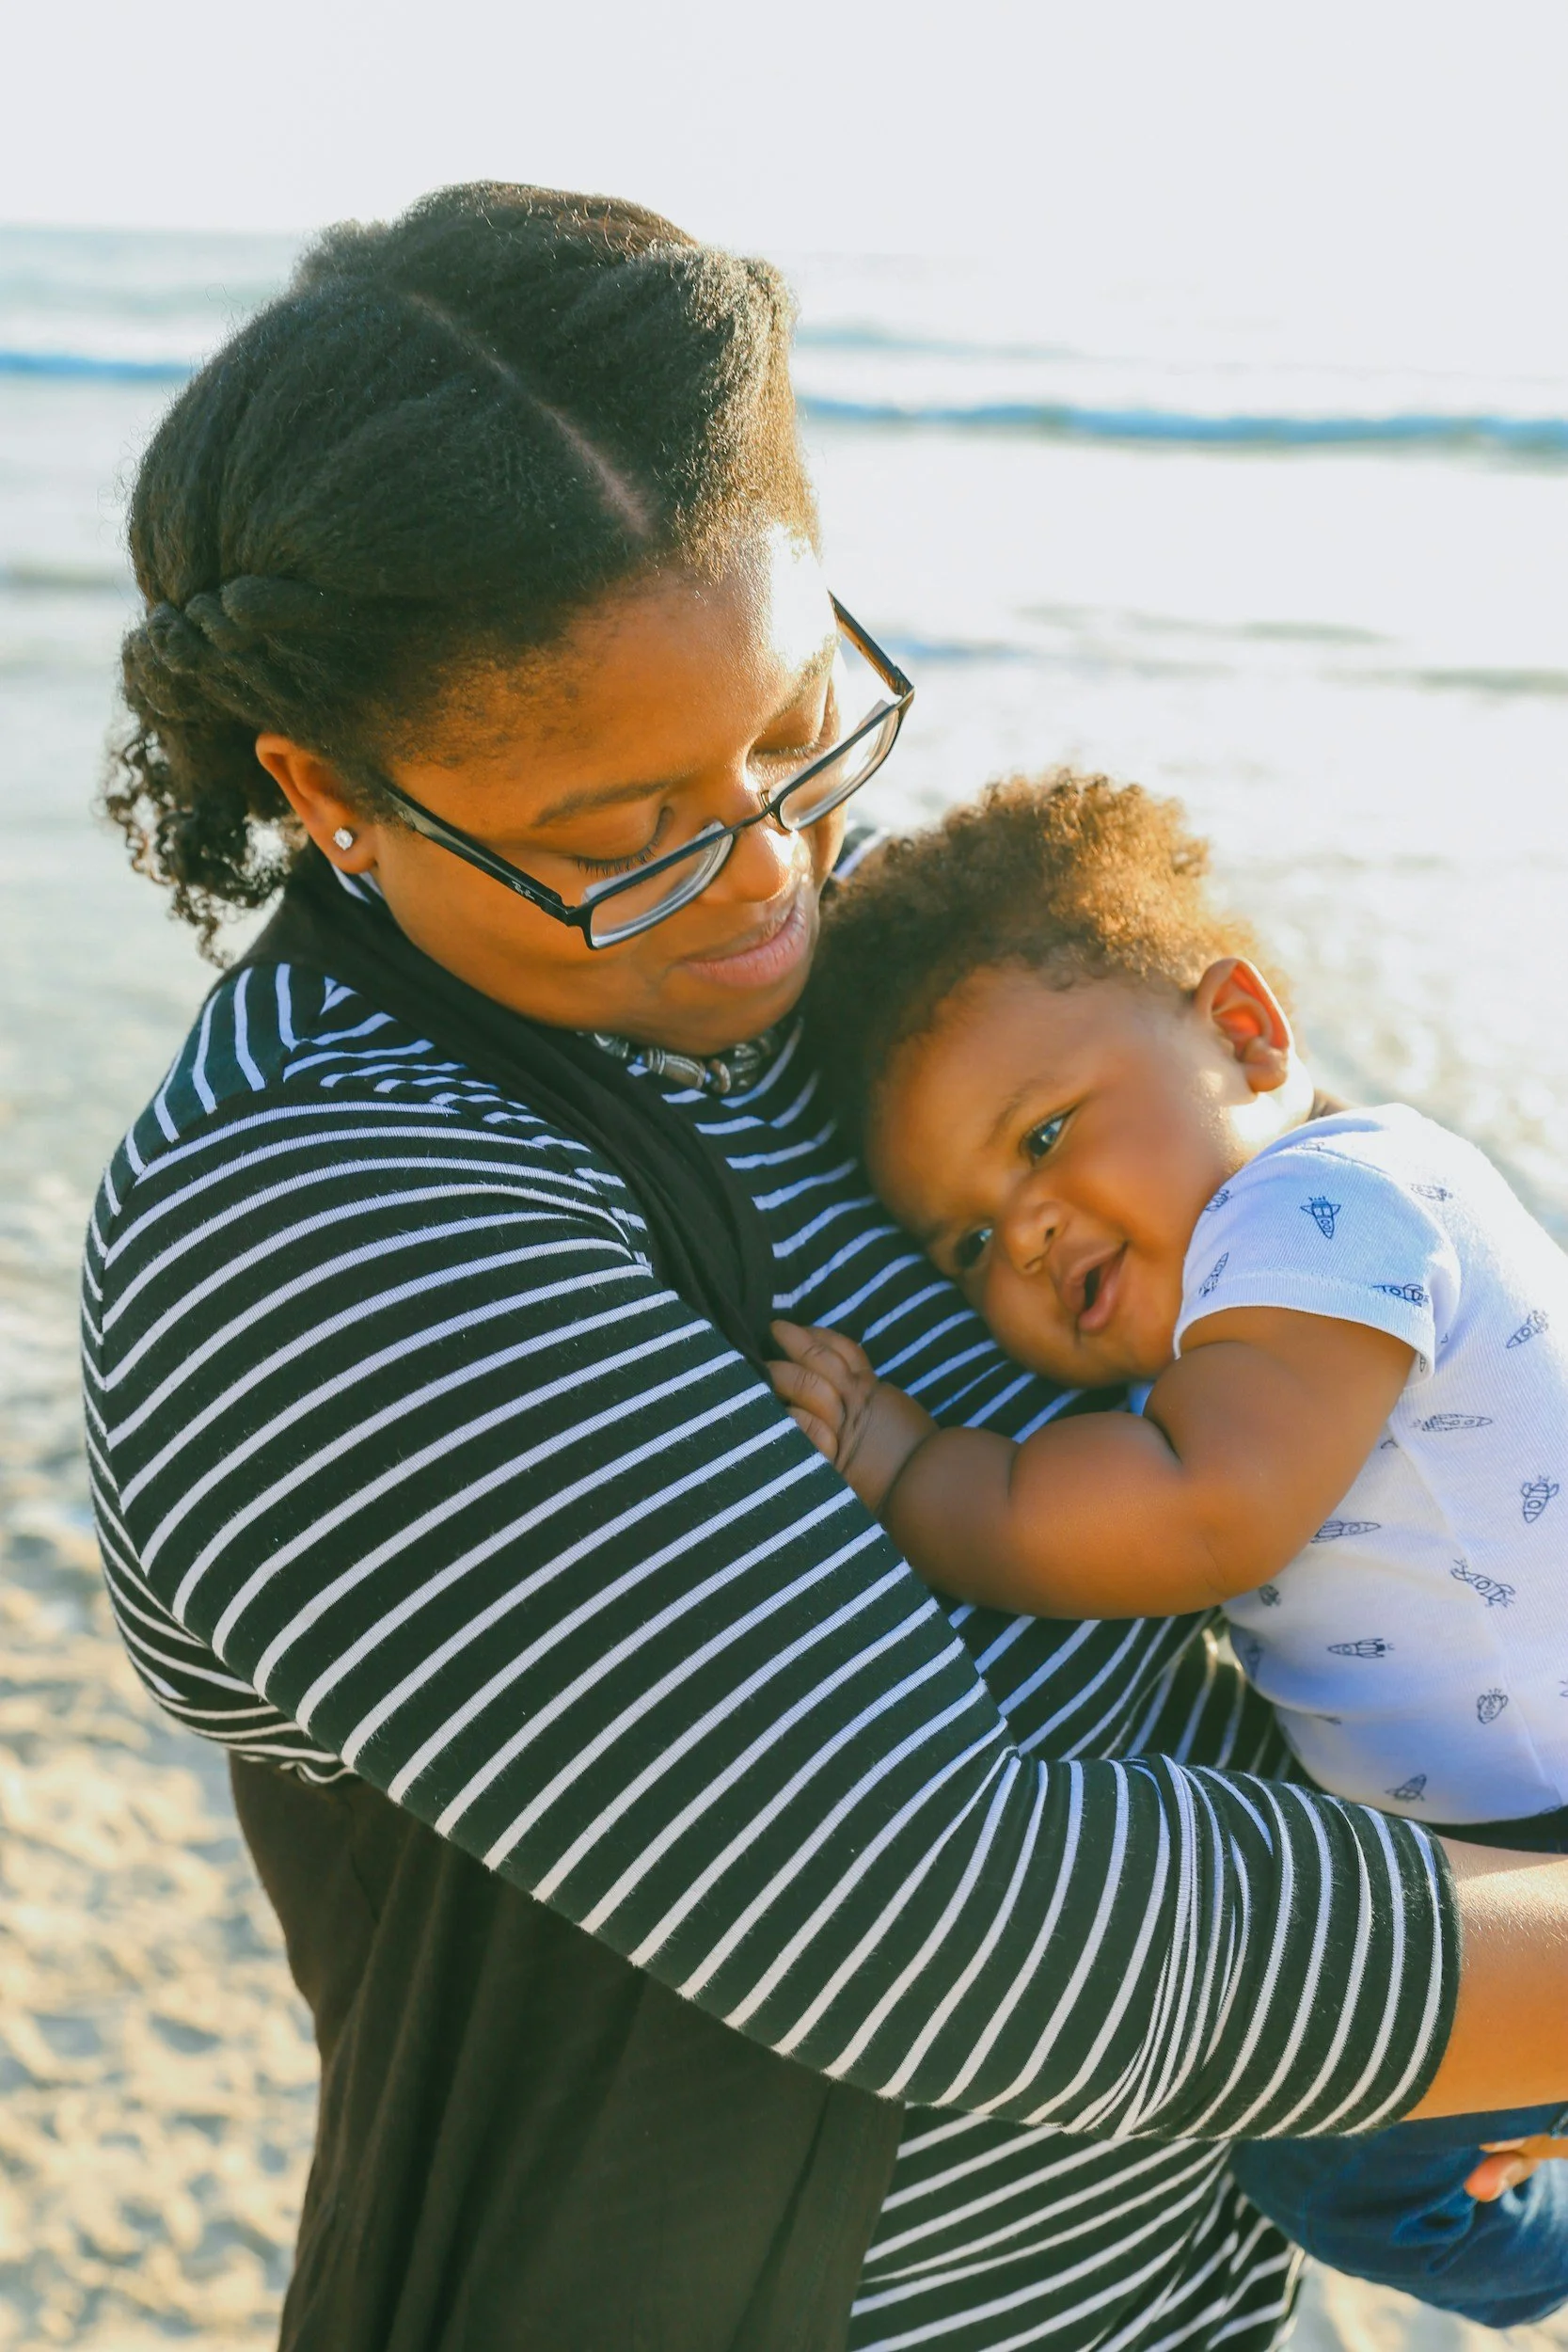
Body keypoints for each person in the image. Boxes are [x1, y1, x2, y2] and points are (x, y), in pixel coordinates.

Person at [87, 183, 1568, 2352]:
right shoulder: (319, 1224)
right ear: (330, 791)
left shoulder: (857, 993)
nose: (769, 874)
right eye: (624, 836)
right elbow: (964, 1929)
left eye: (796, 729)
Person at [772, 771, 1568, 2325]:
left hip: (1535, 1821)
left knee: (1341, 2173)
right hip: (1505, 1806)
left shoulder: (1314, 1216)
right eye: (963, 1240)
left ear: (1248, 1034)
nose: (1026, 1232)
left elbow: (1199, 1513)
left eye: (1046, 1133)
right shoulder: (1279, 1251)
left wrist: (907, 1462)